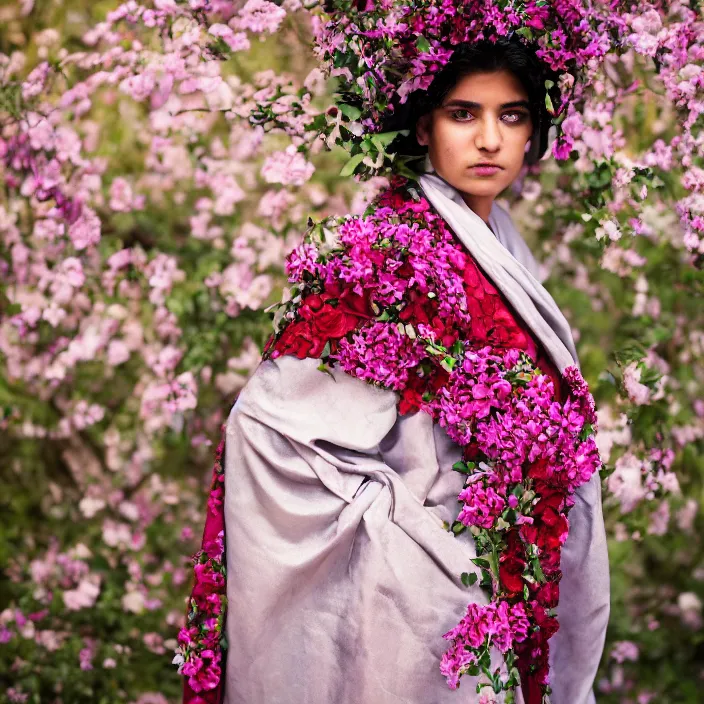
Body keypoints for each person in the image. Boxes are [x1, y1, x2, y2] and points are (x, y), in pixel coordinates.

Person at [178, 35, 610, 704]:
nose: (490, 139)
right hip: (430, 605)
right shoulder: (394, 252)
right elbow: (263, 430)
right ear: (423, 125)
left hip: (508, 582)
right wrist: (416, 543)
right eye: (463, 114)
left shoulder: (499, 244)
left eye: (512, 115)